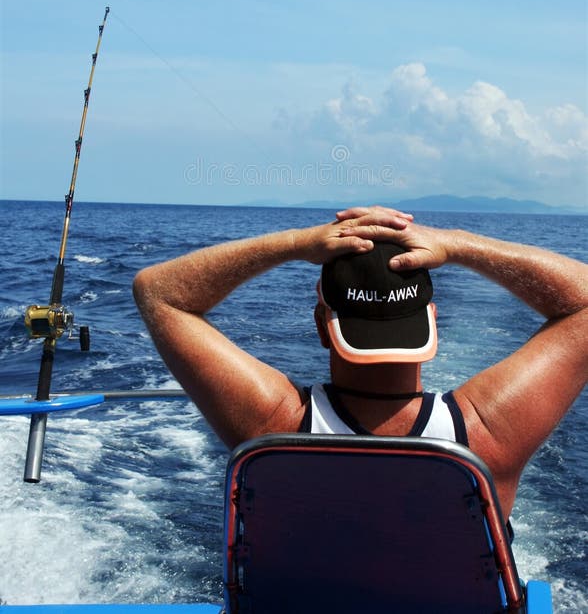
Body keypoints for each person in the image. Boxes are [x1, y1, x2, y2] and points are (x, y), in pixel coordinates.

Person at [132, 205, 588, 520]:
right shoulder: (486, 436)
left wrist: (296, 243)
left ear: (322, 326)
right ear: (431, 320)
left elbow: (160, 292)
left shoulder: (276, 426)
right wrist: (458, 244)